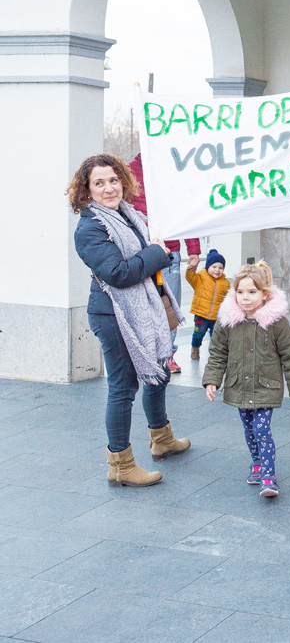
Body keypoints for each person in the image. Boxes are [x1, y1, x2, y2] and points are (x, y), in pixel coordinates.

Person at [70, 154, 191, 488]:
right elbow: (118, 274)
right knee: (123, 386)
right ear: (86, 189)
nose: (109, 188)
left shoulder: (129, 215)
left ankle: (161, 437)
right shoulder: (90, 227)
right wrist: (156, 253)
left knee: (160, 371)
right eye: (99, 183)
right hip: (113, 314)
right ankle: (121, 465)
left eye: (113, 180)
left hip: (147, 308)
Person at [203, 262, 290, 498]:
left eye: (252, 292)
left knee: (262, 429)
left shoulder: (276, 323)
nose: (245, 298)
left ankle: (269, 476)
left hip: (265, 387)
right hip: (239, 386)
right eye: (240, 292)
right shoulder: (228, 321)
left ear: (265, 294)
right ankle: (257, 462)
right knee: (249, 430)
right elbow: (218, 352)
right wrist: (212, 380)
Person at [128, 153, 201, 373]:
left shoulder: (176, 169)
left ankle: (167, 356)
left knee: (169, 305)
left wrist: (194, 250)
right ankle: (144, 355)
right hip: (140, 253)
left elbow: (186, 212)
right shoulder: (128, 170)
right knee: (140, 306)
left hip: (170, 254)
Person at [185, 249, 231, 360]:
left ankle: (215, 354)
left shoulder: (225, 283)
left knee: (216, 337)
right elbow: (190, 277)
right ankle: (195, 348)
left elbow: (228, 299)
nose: (217, 270)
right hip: (201, 314)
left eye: (220, 268)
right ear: (207, 267)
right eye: (214, 267)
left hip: (216, 316)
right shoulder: (200, 278)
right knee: (198, 334)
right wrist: (191, 269)